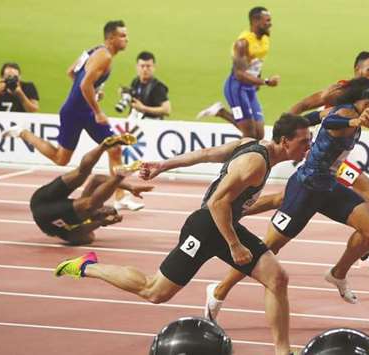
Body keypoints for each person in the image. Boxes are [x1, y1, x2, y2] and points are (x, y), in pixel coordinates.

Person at [54, 114, 312, 355]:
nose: (308, 147)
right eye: (304, 142)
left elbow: (207, 154)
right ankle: (87, 266)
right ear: (284, 141)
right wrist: (234, 245)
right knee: (154, 291)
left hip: (225, 225)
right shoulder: (254, 163)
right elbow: (216, 203)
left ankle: (283, 351)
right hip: (206, 227)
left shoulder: (250, 144)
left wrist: (163, 165)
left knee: (277, 278)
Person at [205, 80, 369, 322]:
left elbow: (337, 120)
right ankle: (218, 291)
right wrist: (290, 128)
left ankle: (338, 273)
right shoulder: (341, 111)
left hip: (331, 181)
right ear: (364, 98)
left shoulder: (360, 110)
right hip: (307, 185)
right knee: (269, 248)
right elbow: (328, 119)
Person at [244, 51, 369, 273]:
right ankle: (365, 253)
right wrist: (282, 133)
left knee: (285, 197)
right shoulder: (339, 91)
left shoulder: (367, 95)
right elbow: (305, 106)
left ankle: (237, 211)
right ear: (357, 69)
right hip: (322, 157)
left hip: (335, 158)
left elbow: (365, 121)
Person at [1, 20, 143, 211]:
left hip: (84, 110)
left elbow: (71, 72)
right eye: (123, 35)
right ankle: (24, 133)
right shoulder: (105, 57)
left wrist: (93, 93)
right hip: (75, 112)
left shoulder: (93, 50)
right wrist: (98, 111)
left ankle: (120, 196)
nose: (127, 39)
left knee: (115, 148)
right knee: (61, 159)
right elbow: (84, 84)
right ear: (111, 38)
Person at [30, 133, 151, 245]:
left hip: (44, 215)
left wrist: (101, 222)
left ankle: (106, 151)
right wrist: (130, 187)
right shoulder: (85, 209)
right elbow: (97, 179)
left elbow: (76, 237)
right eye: (105, 207)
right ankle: (104, 147)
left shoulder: (85, 223)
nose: (103, 208)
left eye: (103, 210)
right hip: (41, 200)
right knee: (81, 174)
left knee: (87, 195)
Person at [196, 6, 279, 139]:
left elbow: (257, 63)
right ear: (255, 21)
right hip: (236, 88)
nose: (270, 24)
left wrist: (257, 79)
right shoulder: (243, 43)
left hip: (250, 88)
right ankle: (221, 112)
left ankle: (219, 111)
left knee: (259, 135)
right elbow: (239, 74)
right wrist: (266, 81)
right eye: (267, 21)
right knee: (250, 134)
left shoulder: (264, 40)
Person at [125, 51, 171, 120]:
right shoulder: (135, 82)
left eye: (148, 66)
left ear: (154, 67)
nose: (145, 69)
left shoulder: (157, 86)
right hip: (137, 121)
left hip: (152, 124)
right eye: (142, 66)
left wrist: (143, 108)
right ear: (137, 67)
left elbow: (167, 110)